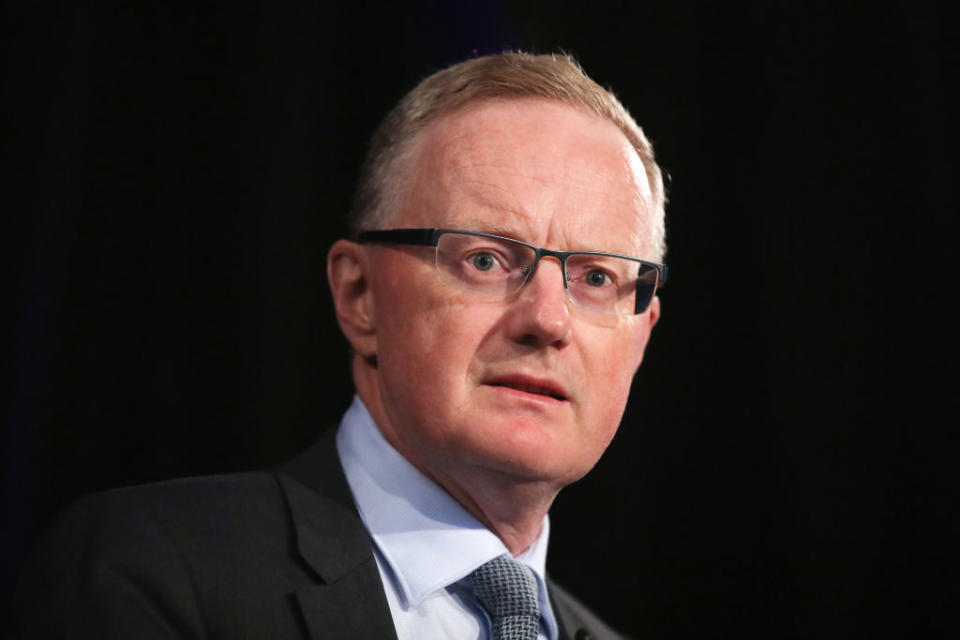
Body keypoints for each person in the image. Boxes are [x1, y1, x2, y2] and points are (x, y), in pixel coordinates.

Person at [10, 52, 667, 640]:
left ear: (640, 337)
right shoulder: (152, 573)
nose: (547, 319)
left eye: (596, 278)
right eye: (486, 260)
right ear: (360, 296)